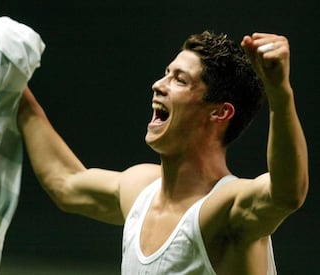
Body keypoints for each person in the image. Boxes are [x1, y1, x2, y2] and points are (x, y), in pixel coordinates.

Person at [17, 31, 308, 274]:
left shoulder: (227, 210)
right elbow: (65, 182)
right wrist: (15, 89)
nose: (158, 85)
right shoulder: (140, 190)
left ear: (219, 112)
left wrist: (280, 93)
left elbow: (287, 194)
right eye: (166, 74)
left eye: (180, 80)